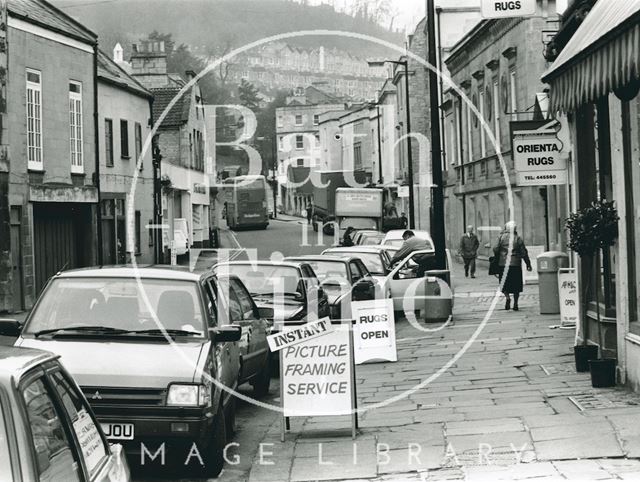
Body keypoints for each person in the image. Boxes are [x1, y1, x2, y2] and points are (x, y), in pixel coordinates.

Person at [493, 221, 532, 311]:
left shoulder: (501, 237)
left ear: (506, 228)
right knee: (516, 285)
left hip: (503, 264)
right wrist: (528, 264)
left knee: (504, 284)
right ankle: (515, 303)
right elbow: (523, 252)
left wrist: (499, 255)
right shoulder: (518, 238)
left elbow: (495, 248)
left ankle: (507, 298)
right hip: (515, 264)